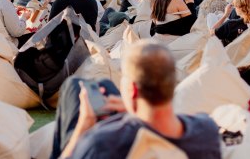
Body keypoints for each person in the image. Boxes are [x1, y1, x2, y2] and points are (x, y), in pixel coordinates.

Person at [61, 44, 221, 159]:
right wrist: (133, 109)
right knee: (106, 86)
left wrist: (84, 126)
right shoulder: (207, 129)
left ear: (133, 90)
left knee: (73, 86)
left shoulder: (100, 143)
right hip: (154, 118)